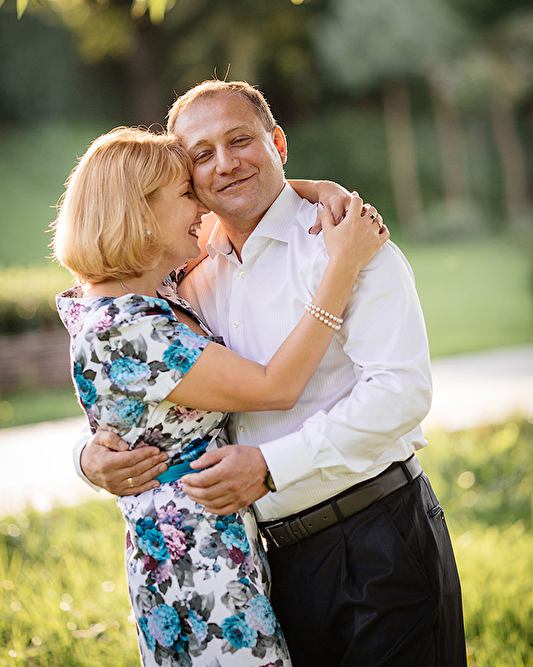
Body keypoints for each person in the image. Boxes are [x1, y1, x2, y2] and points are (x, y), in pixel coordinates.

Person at [77, 80, 467, 667]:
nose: (225, 163)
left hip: (378, 537)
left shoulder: (346, 242)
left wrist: (269, 466)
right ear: (189, 181)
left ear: (277, 143)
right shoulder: (186, 276)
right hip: (268, 565)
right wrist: (88, 458)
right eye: (202, 155)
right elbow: (133, 380)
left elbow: (401, 392)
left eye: (240, 140)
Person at [54, 125, 388, 667]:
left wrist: (320, 191)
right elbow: (275, 387)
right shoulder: (126, 325)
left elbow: (248, 204)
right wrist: (342, 266)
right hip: (195, 566)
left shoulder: (149, 291)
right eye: (187, 193)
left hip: (217, 542)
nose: (201, 205)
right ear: (140, 212)